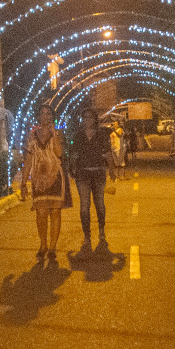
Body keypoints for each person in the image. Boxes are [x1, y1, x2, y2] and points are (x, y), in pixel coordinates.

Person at [20, 105, 68, 261]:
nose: (45, 116)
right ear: (38, 117)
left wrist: (54, 134)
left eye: (48, 114)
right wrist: (23, 182)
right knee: (41, 213)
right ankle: (43, 244)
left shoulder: (58, 133)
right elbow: (28, 160)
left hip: (55, 177)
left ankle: (52, 247)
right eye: (42, 113)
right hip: (39, 179)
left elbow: (59, 153)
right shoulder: (32, 136)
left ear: (52, 117)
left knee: (55, 212)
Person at [71, 107, 117, 251]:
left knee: (99, 204)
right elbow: (74, 154)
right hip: (83, 174)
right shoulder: (78, 136)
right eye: (85, 118)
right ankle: (87, 235)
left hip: (98, 173)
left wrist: (112, 169)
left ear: (95, 119)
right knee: (84, 206)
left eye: (90, 117)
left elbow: (107, 153)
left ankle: (101, 230)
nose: (87, 120)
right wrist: (72, 167)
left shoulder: (101, 135)